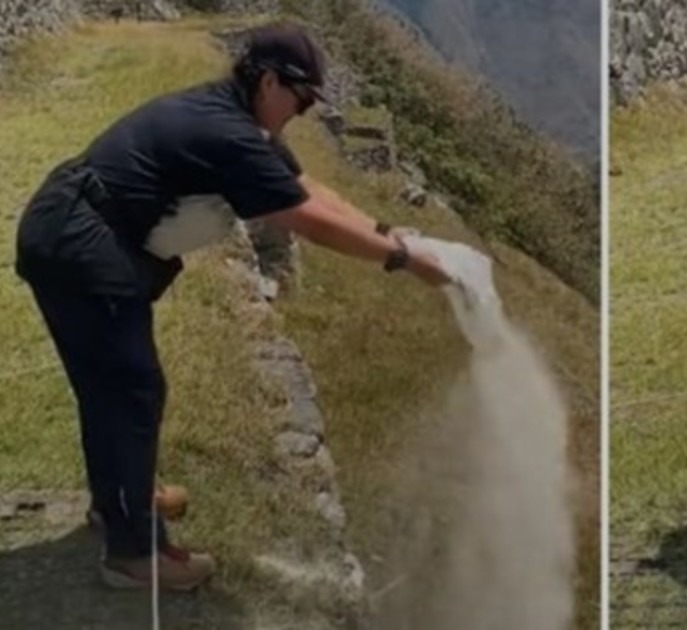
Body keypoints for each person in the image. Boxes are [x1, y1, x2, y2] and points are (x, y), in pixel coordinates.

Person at [13, 23, 450, 591]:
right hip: (80, 243)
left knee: (114, 384)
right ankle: (133, 555)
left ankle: (120, 502)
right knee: (130, 387)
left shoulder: (241, 122)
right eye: (303, 97)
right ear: (269, 80)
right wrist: (403, 261)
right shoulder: (230, 134)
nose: (306, 110)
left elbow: (308, 190)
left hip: (79, 229)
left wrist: (393, 235)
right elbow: (306, 220)